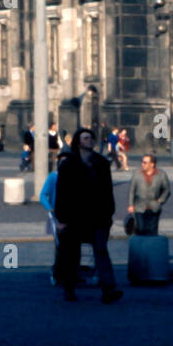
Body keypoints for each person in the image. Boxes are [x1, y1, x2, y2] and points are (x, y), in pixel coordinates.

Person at [53, 127, 123, 304]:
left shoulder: (102, 163)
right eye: (85, 138)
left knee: (101, 251)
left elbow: (108, 191)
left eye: (91, 138)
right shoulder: (68, 164)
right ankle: (69, 288)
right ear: (78, 142)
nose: (89, 140)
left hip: (98, 217)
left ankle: (109, 289)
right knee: (72, 254)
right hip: (74, 217)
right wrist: (61, 219)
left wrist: (109, 214)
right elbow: (62, 194)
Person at [40, 150, 71, 284]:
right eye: (61, 161)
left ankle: (70, 271)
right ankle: (60, 272)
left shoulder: (75, 176)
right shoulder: (54, 176)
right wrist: (50, 208)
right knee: (60, 245)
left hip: (72, 215)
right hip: (57, 215)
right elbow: (43, 195)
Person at [127, 154, 170, 235]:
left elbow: (167, 190)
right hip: (139, 206)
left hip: (154, 206)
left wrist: (160, 200)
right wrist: (131, 205)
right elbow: (132, 190)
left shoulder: (161, 174)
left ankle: (151, 246)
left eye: (145, 162)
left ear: (152, 164)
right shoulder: (137, 174)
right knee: (140, 229)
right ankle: (141, 246)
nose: (142, 164)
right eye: (142, 162)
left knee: (152, 230)